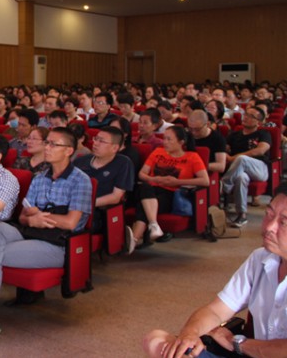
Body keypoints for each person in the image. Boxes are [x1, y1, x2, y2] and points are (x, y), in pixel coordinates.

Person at [0, 127, 92, 339]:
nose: (47, 147)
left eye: (53, 144)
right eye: (47, 143)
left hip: (59, 244)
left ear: (69, 150)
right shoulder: (40, 178)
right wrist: (33, 219)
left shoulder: (80, 180)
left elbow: (72, 223)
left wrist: (40, 216)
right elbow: (23, 218)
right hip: (32, 232)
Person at [142, 183, 287, 358]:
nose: (269, 227)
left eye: (283, 222)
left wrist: (238, 343)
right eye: (269, 214)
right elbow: (216, 311)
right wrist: (190, 334)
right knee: (156, 340)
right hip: (249, 354)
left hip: (249, 350)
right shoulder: (260, 259)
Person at [127, 126, 210, 254]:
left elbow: (205, 181)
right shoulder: (157, 152)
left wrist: (177, 182)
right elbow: (142, 174)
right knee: (144, 187)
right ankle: (152, 225)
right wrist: (155, 179)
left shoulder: (192, 157)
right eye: (164, 138)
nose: (164, 142)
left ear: (181, 142)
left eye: (169, 139)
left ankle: (134, 238)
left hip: (171, 193)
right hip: (151, 187)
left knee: (143, 204)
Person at [74, 127, 135, 233]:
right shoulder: (81, 161)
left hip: (98, 211)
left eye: (101, 141)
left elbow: (116, 197)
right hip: (73, 206)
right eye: (96, 139)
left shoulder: (123, 163)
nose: (96, 143)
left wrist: (85, 205)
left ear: (115, 148)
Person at [222, 107, 272, 228]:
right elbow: (224, 149)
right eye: (246, 114)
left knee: (242, 159)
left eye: (251, 116)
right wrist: (226, 154)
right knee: (241, 178)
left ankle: (224, 186)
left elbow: (260, 150)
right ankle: (242, 215)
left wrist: (232, 158)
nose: (246, 117)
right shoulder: (234, 134)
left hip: (259, 168)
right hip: (239, 170)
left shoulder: (263, 133)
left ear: (258, 122)